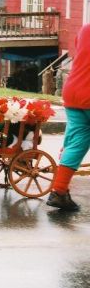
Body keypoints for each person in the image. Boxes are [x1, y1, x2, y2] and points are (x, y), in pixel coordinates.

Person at [46, 24, 90, 212]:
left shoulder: (85, 29)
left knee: (76, 143)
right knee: (76, 142)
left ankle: (59, 191)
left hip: (73, 90)